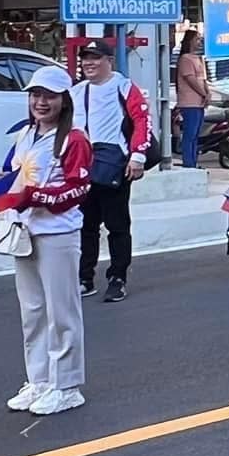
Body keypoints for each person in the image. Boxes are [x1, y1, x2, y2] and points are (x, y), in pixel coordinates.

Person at [0, 66, 95, 416]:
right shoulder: (24, 133)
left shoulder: (74, 139)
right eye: (35, 95)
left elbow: (78, 189)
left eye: (48, 96)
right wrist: (3, 190)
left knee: (61, 312)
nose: (40, 102)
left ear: (63, 101)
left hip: (58, 233)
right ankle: (39, 381)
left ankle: (66, 386)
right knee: (33, 312)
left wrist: (35, 196)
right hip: (23, 232)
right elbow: (9, 173)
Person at [74, 38, 151, 304]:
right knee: (86, 226)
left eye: (95, 58)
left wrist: (137, 157)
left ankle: (117, 278)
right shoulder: (78, 91)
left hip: (114, 164)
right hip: (84, 167)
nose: (89, 63)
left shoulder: (123, 86)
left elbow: (142, 120)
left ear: (109, 61)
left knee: (117, 225)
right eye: (85, 58)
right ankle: (84, 278)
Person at [173, 30, 213, 170]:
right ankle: (188, 162)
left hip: (199, 103)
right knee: (189, 134)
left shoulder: (198, 59)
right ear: (190, 41)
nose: (199, 42)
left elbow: (203, 79)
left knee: (196, 134)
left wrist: (207, 93)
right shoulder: (185, 59)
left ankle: (194, 161)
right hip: (189, 102)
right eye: (197, 39)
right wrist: (203, 93)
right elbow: (191, 80)